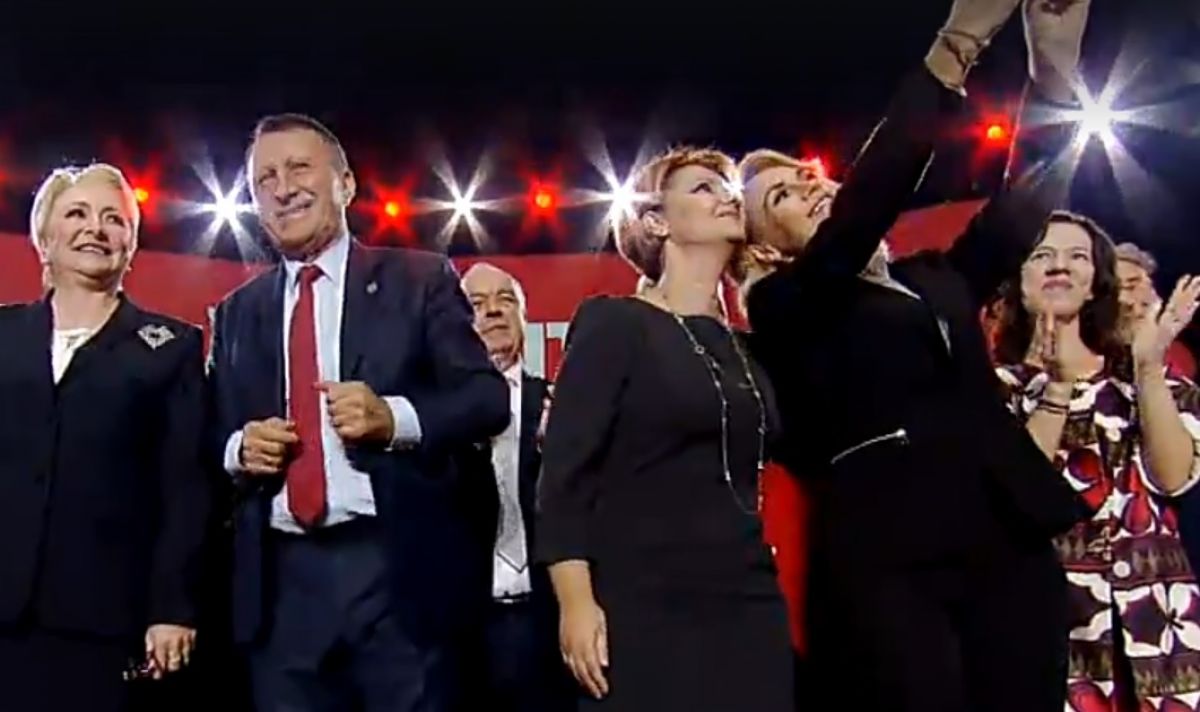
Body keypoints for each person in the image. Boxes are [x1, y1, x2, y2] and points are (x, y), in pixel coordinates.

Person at [735, 1, 1095, 709]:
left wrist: (1053, 73)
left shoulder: (934, 278)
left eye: (810, 177)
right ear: (765, 249)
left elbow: (1023, 208)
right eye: (781, 195)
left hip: (1006, 539)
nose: (809, 187)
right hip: (892, 562)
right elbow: (864, 208)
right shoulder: (784, 304)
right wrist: (957, 45)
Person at [207, 113, 509, 711]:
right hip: (281, 587)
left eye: (299, 168)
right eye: (265, 178)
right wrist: (240, 448)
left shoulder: (418, 278)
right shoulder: (238, 311)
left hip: (396, 572)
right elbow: (209, 432)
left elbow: (485, 399)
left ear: (345, 184)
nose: (283, 188)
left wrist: (394, 420)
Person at [537, 147, 793, 711]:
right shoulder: (615, 322)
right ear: (656, 221)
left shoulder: (750, 351)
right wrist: (575, 603)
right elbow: (564, 476)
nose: (727, 197)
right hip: (644, 603)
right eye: (703, 188)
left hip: (749, 600)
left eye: (728, 188)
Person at [0, 164, 210, 712]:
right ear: (44, 239)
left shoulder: (170, 349)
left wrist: (172, 608)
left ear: (131, 245)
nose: (95, 228)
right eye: (77, 213)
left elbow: (184, 489)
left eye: (114, 219)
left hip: (102, 618)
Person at [995, 212, 1200, 711]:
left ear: (1095, 285)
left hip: (1161, 632)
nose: (1059, 266)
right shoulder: (995, 392)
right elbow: (1017, 497)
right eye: (1042, 255)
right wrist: (1057, 387)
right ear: (1019, 282)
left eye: (1077, 256)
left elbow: (1173, 479)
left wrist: (1148, 368)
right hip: (1054, 633)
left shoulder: (1149, 380)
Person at [459, 262, 573, 712]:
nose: (494, 311)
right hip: (465, 626)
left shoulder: (560, 405)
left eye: (506, 300)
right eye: (477, 304)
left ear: (524, 318)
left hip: (547, 620)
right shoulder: (434, 416)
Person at [1115, 242, 1195, 376]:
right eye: (1130, 287)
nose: (1149, 299)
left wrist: (1158, 348)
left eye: (1149, 287)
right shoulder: (1084, 356)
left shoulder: (1177, 356)